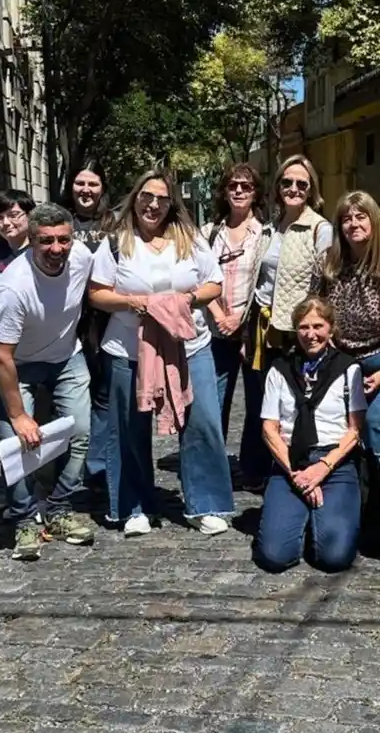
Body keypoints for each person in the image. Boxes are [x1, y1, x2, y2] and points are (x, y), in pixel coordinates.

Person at [87, 169, 235, 536]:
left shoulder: (190, 239)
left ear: (172, 204)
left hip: (190, 345)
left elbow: (214, 284)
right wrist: (132, 302)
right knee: (128, 428)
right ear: (135, 198)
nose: (153, 204)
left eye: (162, 198)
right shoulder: (116, 241)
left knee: (202, 423)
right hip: (128, 349)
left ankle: (206, 503)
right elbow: (97, 293)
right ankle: (133, 506)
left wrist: (185, 299)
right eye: (146, 196)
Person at [0, 203, 97, 561]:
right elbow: (0, 355)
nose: (56, 249)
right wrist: (19, 415)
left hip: (66, 356)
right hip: (16, 364)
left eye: (63, 240)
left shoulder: (81, 257)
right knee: (16, 444)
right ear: (31, 242)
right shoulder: (13, 287)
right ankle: (23, 520)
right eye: (46, 241)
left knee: (80, 431)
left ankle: (58, 508)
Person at [255, 297, 366, 572]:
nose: (311, 334)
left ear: (331, 329)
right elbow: (269, 428)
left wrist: (321, 469)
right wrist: (298, 474)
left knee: (334, 558)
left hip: (335, 462)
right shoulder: (280, 369)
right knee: (273, 557)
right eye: (303, 327)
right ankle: (297, 519)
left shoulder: (348, 369)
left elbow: (355, 431)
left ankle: (319, 521)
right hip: (290, 462)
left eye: (318, 326)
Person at [242, 155, 332, 489]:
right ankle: (258, 469)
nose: (293, 189)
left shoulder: (320, 229)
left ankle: (291, 468)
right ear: (278, 187)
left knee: (290, 404)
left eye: (301, 184)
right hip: (261, 326)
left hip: (295, 330)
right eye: (287, 183)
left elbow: (327, 282)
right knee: (259, 402)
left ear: (311, 190)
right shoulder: (270, 226)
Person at [311, 191, 380, 466]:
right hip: (341, 358)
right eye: (347, 219)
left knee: (376, 431)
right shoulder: (328, 262)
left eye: (361, 217)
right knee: (340, 429)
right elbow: (316, 306)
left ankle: (378, 498)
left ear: (373, 222)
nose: (354, 224)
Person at [204, 163, 272, 441]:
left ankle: (252, 469)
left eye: (246, 186)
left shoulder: (266, 234)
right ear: (224, 191)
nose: (239, 190)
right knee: (214, 402)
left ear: (255, 193)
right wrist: (219, 315)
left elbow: (268, 283)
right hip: (215, 330)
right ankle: (214, 463)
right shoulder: (209, 232)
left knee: (257, 402)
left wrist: (241, 318)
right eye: (233, 185)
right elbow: (198, 277)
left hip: (251, 331)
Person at [64, 159, 112, 492]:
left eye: (93, 184)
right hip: (69, 321)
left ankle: (98, 467)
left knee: (104, 395)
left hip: (109, 319)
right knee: (71, 396)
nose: (86, 190)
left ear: (102, 190)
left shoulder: (116, 223)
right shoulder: (60, 221)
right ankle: (69, 464)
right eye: (80, 183)